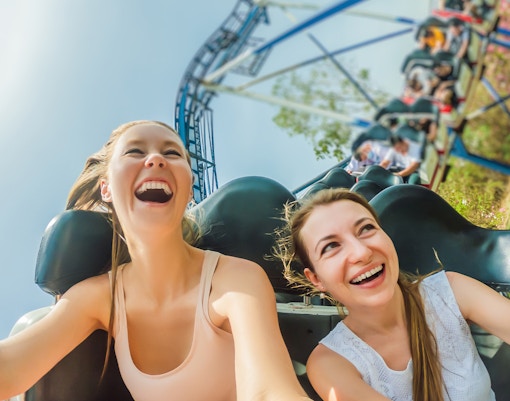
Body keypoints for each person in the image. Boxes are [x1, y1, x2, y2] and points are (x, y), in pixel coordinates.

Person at [0, 120, 311, 401]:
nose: (156, 159)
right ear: (105, 188)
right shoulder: (96, 297)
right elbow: (10, 367)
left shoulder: (235, 279)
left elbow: (269, 390)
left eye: (172, 154)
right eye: (135, 151)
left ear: (189, 188)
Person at [275, 188, 510, 400]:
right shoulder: (330, 363)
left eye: (366, 229)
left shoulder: (452, 291)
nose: (361, 252)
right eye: (331, 246)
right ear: (316, 279)